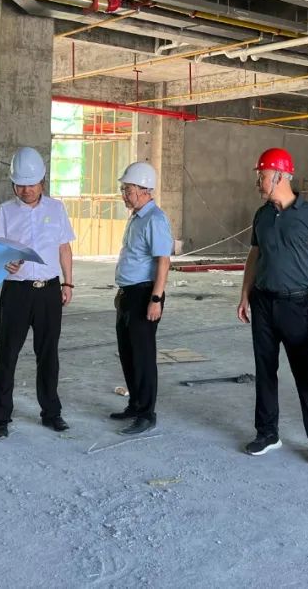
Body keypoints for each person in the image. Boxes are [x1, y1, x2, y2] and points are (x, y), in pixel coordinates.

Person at [238, 148, 308, 466]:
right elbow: (254, 256)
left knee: (305, 373)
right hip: (262, 303)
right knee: (265, 370)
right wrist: (244, 295)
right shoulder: (262, 215)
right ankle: (267, 433)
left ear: (280, 176)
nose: (258, 182)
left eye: (262, 176)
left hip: (295, 304)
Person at [0, 147, 76, 438]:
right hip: (17, 292)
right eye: (20, 185)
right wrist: (5, 262)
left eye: (31, 184)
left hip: (49, 291)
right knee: (7, 354)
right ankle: (0, 417)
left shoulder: (56, 209)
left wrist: (68, 283)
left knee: (48, 354)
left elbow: (64, 248)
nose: (26, 190)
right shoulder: (4, 211)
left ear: (42, 182)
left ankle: (51, 413)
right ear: (13, 183)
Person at [111, 161, 172, 436]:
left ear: (145, 190)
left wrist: (156, 299)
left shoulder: (155, 219)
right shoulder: (137, 217)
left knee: (143, 356)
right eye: (124, 189)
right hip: (128, 293)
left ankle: (147, 413)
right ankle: (135, 405)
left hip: (145, 294)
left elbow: (163, 262)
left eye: (128, 189)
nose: (124, 194)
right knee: (128, 353)